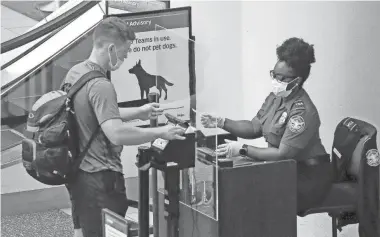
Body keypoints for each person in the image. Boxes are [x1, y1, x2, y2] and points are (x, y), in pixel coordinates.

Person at [61, 17, 185, 237]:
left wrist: (140, 111)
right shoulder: (101, 85)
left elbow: (98, 115)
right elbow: (116, 133)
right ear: (110, 48)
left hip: (78, 174)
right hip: (101, 179)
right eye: (125, 51)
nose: (126, 57)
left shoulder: (76, 73)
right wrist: (160, 132)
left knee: (82, 231)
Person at [201, 37, 333, 213]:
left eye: (282, 78)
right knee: (236, 183)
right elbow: (254, 127)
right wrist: (222, 122)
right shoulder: (276, 97)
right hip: (284, 169)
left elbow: (282, 154)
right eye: (274, 75)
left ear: (297, 80)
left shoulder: (303, 112)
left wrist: (242, 149)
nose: (276, 82)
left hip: (307, 176)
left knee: (252, 194)